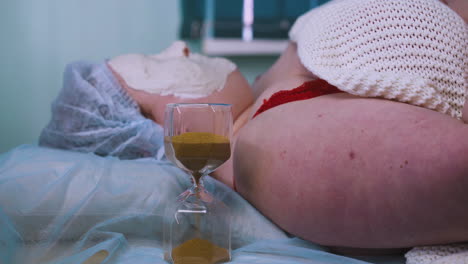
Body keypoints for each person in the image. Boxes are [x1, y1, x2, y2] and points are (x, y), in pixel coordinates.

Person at [40, 0, 467, 258]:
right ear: (155, 128)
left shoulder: (272, 97)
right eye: (155, 64)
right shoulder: (264, 151)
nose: (182, 47)